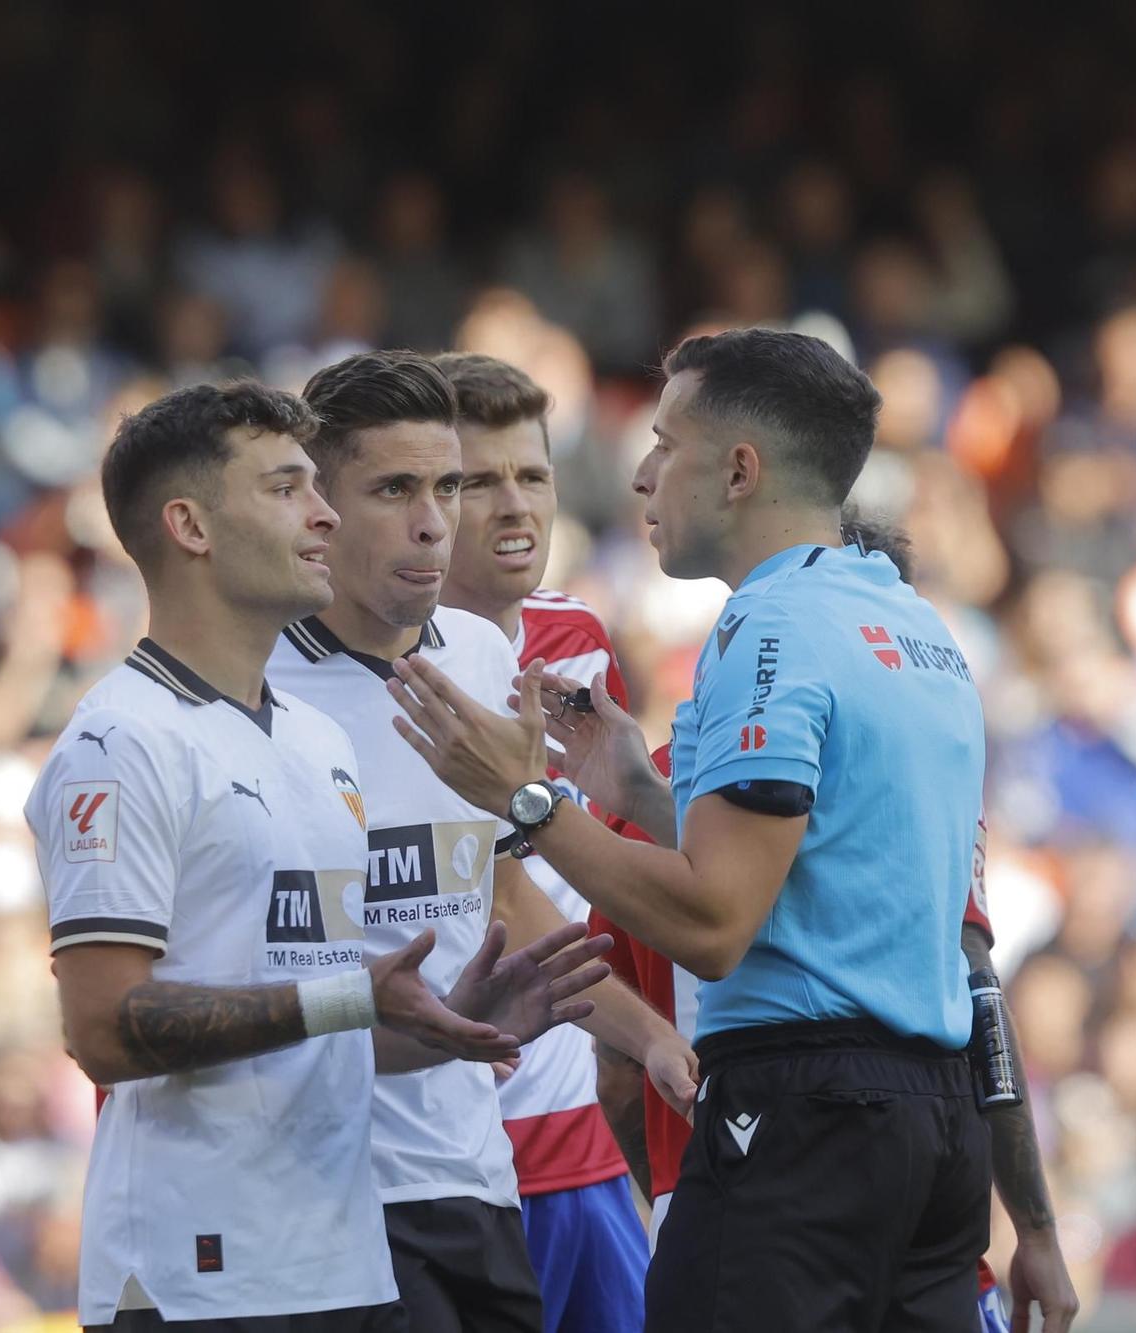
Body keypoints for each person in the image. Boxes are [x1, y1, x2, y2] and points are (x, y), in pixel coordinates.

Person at [390, 328, 996, 1331]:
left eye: (666, 443)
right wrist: (637, 787)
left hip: (806, 1120)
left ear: (739, 470)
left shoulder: (763, 626)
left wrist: (526, 802)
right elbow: (816, 866)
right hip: (932, 1117)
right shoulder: (905, 617)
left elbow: (717, 923)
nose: (640, 473)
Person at [26, 382, 611, 1332]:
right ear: (190, 526)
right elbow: (100, 1030)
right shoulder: (119, 741)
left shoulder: (312, 738)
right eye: (288, 487)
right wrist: (351, 999)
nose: (325, 512)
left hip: (344, 1259)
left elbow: (324, 1020)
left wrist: (446, 1024)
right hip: (200, 1272)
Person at [268, 350, 695, 1333]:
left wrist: (647, 1037)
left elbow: (499, 882)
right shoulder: (251, 679)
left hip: (494, 1169)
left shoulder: (523, 651)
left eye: (521, 478)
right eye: (400, 489)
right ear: (321, 509)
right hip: (327, 1190)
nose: (453, 515)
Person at [588, 503, 1074, 1333]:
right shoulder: (906, 791)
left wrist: (674, 1191)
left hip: (726, 1202)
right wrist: (1034, 1225)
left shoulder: (647, 793)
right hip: (879, 1184)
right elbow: (979, 992)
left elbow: (615, 1064)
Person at [435, 350, 648, 1333]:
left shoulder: (577, 641)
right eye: (479, 482)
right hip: (444, 1151)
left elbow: (600, 872)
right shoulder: (388, 677)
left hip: (580, 1150)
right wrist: (660, 1043)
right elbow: (508, 904)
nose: (514, 505)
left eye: (532, 475)